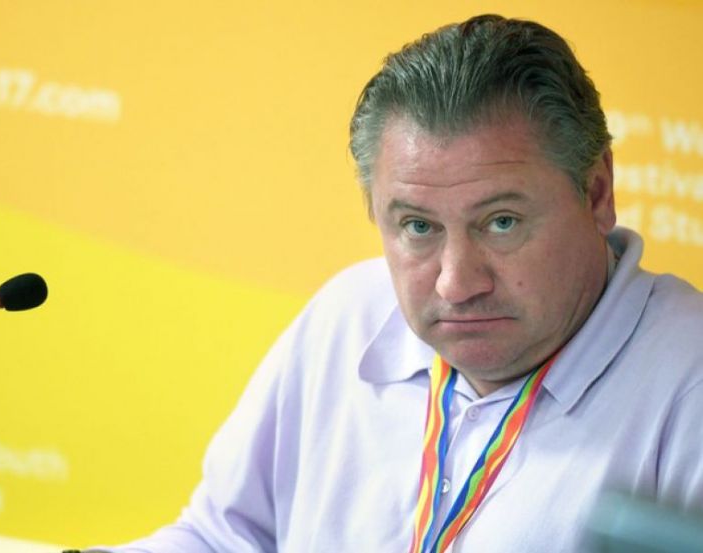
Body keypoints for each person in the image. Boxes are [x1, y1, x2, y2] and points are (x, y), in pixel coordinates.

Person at [88, 14, 703, 553]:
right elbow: (225, 538)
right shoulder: (348, 314)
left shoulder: (688, 383)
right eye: (418, 227)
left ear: (597, 193)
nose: (457, 283)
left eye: (501, 222)